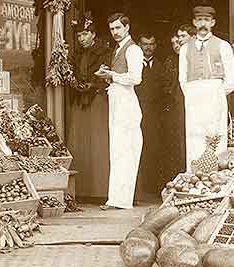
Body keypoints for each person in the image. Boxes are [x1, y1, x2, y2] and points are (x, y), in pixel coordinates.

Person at [178, 6, 234, 170]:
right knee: (194, 136)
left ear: (213, 22)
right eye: (199, 20)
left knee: (215, 136)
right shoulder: (184, 48)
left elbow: (231, 79)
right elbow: (182, 78)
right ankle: (194, 176)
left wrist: (216, 93)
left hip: (215, 97)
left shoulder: (223, 45)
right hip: (194, 98)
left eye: (206, 20)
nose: (203, 24)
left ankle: (216, 175)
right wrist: (192, 95)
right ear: (194, 23)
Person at [95, 13, 144, 210]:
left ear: (127, 27)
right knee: (117, 149)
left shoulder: (133, 49)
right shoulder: (118, 49)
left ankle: (123, 200)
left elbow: (135, 78)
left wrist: (112, 75)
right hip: (117, 99)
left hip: (127, 101)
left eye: (118, 28)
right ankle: (115, 198)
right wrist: (108, 76)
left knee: (126, 149)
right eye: (112, 29)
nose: (115, 32)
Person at [66, 16, 111, 202]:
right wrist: (77, 85)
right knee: (79, 142)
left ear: (93, 34)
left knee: (98, 143)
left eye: (85, 34)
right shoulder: (76, 54)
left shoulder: (104, 52)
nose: (81, 38)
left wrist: (93, 85)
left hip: (97, 101)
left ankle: (100, 190)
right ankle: (81, 190)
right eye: (79, 35)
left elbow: (107, 73)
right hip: (80, 101)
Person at [159, 24, 194, 184]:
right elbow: (166, 85)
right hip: (175, 107)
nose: (176, 46)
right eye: (173, 44)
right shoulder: (171, 61)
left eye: (179, 42)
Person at [135, 34, 166, 197]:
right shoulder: (133, 65)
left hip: (154, 115)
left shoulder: (161, 66)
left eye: (151, 44)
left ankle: (151, 187)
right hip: (135, 112)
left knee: (153, 148)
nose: (148, 47)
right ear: (139, 44)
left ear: (156, 46)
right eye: (145, 44)